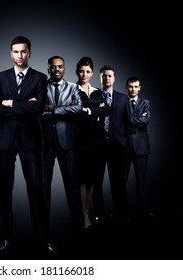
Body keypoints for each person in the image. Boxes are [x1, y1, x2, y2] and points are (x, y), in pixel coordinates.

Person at [0, 36, 55, 256]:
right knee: (3, 191)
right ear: (10, 53)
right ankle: (5, 238)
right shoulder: (0, 77)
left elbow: (38, 109)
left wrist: (11, 103)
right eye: (16, 51)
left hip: (31, 139)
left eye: (24, 51)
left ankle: (42, 240)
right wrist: (24, 105)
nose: (20, 55)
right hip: (5, 139)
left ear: (30, 53)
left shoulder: (39, 78)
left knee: (37, 190)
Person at [41, 55, 83, 234]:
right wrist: (65, 108)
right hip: (46, 141)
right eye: (53, 67)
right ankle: (43, 225)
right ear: (48, 69)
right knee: (43, 187)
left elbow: (78, 107)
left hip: (67, 142)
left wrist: (54, 110)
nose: (56, 69)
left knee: (72, 184)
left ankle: (79, 224)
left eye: (60, 67)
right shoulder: (40, 88)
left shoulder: (74, 87)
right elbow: (38, 111)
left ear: (64, 69)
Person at [74, 57, 111, 230]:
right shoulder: (72, 90)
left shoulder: (97, 91)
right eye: (81, 71)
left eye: (88, 71)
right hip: (80, 140)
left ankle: (87, 211)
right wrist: (95, 110)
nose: (84, 74)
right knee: (82, 179)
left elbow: (107, 110)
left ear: (92, 73)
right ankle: (84, 215)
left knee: (93, 180)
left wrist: (88, 110)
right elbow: (74, 113)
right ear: (77, 72)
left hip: (97, 141)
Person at [93, 65, 131, 223]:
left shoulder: (123, 98)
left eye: (109, 76)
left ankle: (121, 212)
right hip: (98, 145)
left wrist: (124, 142)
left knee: (118, 182)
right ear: (100, 78)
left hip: (117, 146)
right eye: (104, 76)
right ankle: (99, 213)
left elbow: (128, 123)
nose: (106, 78)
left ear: (114, 78)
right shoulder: (93, 96)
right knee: (97, 182)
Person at [124, 76, 154, 219]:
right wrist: (138, 119)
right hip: (124, 146)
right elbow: (119, 121)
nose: (133, 89)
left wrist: (128, 119)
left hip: (141, 147)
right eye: (130, 86)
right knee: (121, 181)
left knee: (141, 180)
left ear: (140, 87)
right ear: (126, 87)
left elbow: (145, 120)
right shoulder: (122, 102)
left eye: (136, 86)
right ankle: (120, 211)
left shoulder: (146, 103)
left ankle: (143, 210)